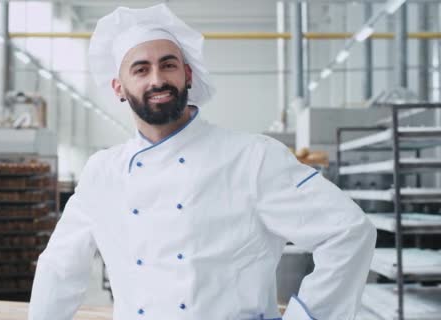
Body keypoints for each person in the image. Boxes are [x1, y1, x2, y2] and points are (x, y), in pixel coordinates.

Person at [29, 4, 376, 320]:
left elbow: (349, 232)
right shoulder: (102, 172)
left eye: (168, 64)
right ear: (119, 88)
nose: (157, 79)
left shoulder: (251, 157)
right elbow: (60, 267)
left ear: (188, 75)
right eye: (141, 69)